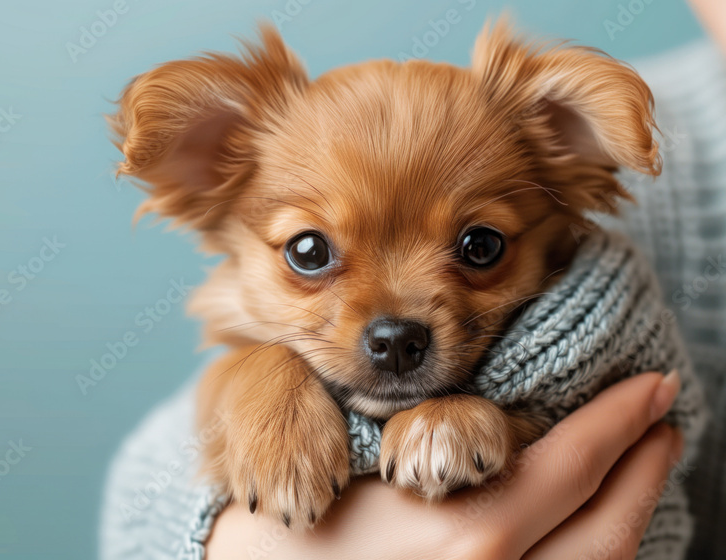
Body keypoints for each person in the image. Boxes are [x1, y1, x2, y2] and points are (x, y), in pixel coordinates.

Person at [101, 2, 726, 557]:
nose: (395, 326)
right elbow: (153, 474)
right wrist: (225, 539)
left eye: (478, 249)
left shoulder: (613, 283)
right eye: (311, 252)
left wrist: (484, 421)